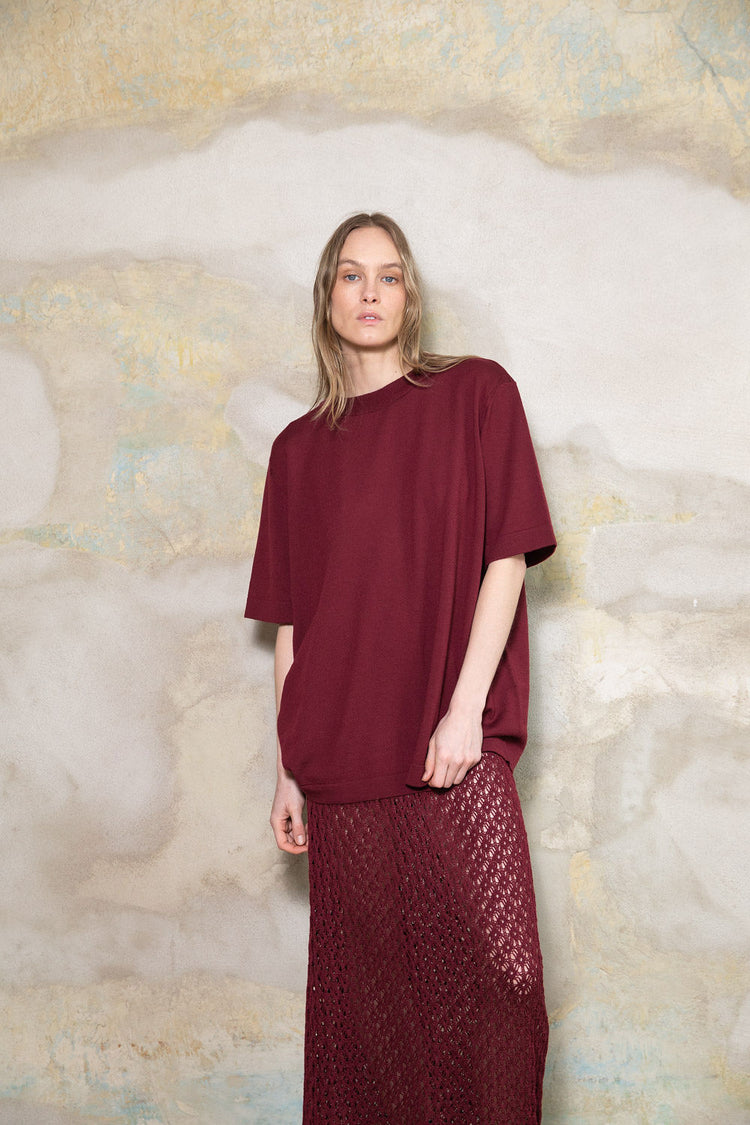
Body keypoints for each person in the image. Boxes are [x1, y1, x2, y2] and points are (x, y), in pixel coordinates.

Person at [245, 212, 556, 1124]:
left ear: (410, 296)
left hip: (449, 742)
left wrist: (465, 713)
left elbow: (507, 557)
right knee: (378, 1021)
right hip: (340, 759)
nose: (370, 291)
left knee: (504, 977)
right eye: (351, 275)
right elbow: (295, 627)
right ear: (327, 298)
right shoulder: (296, 451)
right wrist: (287, 770)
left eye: (388, 275)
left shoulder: (477, 394)